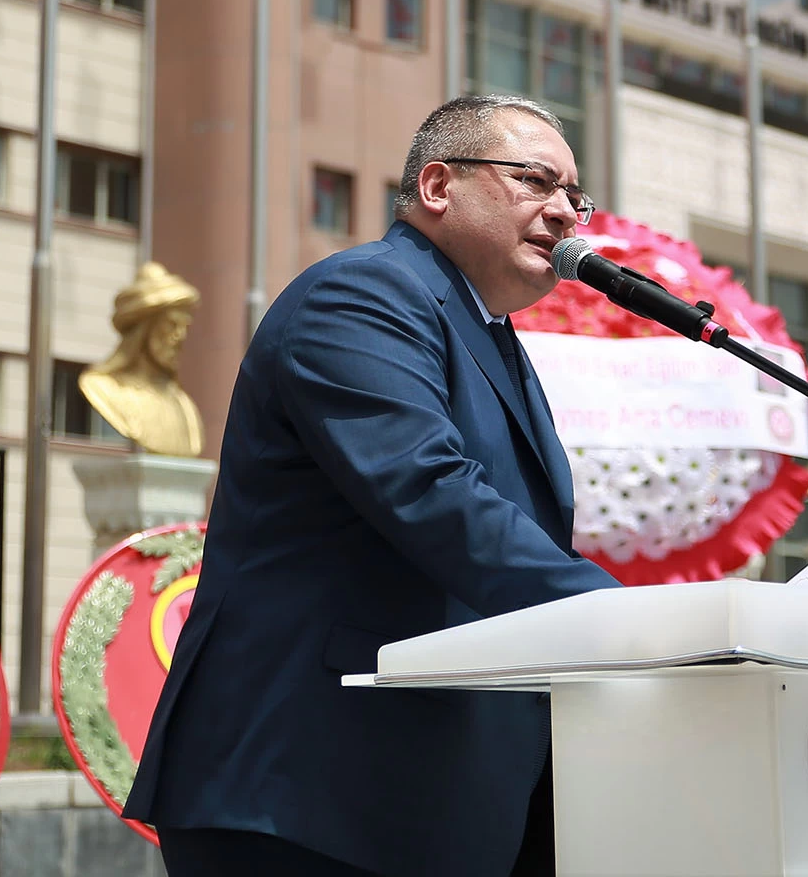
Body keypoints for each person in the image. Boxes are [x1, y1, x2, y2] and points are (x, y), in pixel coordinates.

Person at [124, 96, 619, 877]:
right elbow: (430, 491)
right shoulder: (361, 296)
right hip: (308, 786)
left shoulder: (485, 331)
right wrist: (628, 618)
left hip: (428, 796)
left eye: (575, 196)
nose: (564, 214)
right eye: (535, 181)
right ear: (436, 186)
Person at [80, 261, 207, 457]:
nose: (180, 336)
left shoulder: (185, 408)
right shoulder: (103, 388)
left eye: (185, 327)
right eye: (172, 324)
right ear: (145, 329)